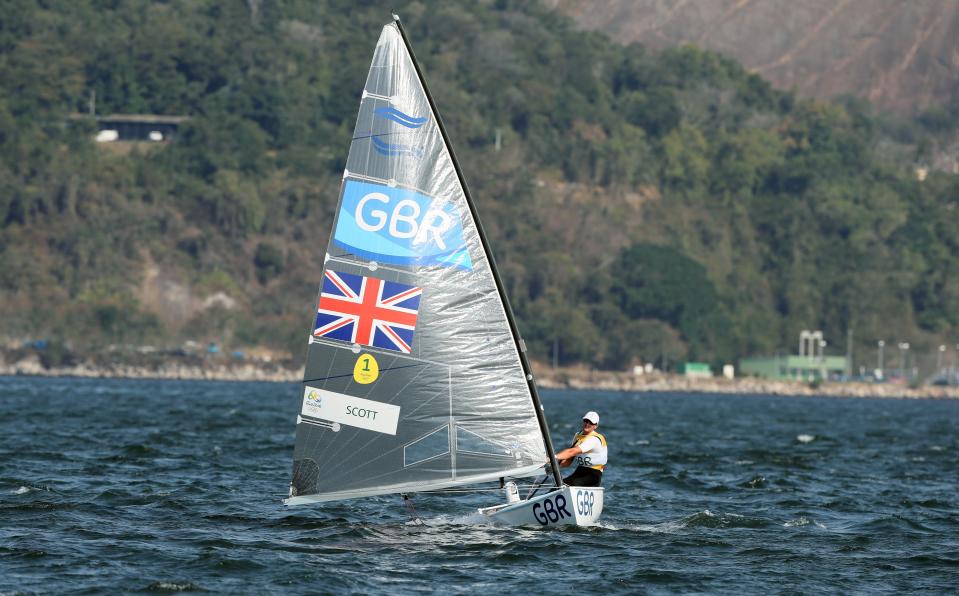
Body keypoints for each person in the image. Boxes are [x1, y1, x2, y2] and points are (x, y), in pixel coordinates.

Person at [554, 411, 607, 487]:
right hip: (580, 471)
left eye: (591, 423)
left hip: (593, 475)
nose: (587, 424)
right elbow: (569, 460)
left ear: (596, 426)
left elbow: (572, 452)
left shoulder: (595, 439)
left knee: (573, 485)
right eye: (586, 421)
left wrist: (553, 458)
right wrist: (554, 466)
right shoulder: (578, 435)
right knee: (558, 486)